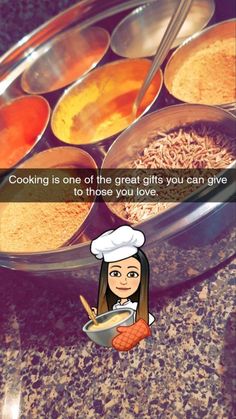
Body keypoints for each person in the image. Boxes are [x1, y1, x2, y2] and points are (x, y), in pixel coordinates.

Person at [90, 225, 155, 351]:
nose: (123, 281)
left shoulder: (138, 308)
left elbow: (147, 321)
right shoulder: (113, 305)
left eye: (132, 274)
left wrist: (139, 330)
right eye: (115, 274)